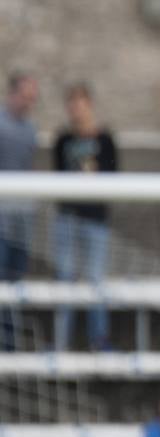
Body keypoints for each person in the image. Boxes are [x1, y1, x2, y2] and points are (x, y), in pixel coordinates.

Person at [51, 82, 118, 351]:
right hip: (67, 218)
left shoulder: (105, 140)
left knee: (95, 280)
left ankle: (99, 340)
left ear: (89, 104)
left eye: (81, 103)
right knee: (64, 277)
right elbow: (57, 178)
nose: (76, 109)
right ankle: (60, 342)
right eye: (72, 104)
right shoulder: (63, 140)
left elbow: (114, 176)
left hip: (95, 220)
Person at [0, 71, 39, 351]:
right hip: (1, 221)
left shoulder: (31, 130)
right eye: (24, 96)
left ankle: (11, 343)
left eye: (32, 98)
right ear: (12, 94)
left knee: (16, 283)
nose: (27, 102)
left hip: (22, 221)